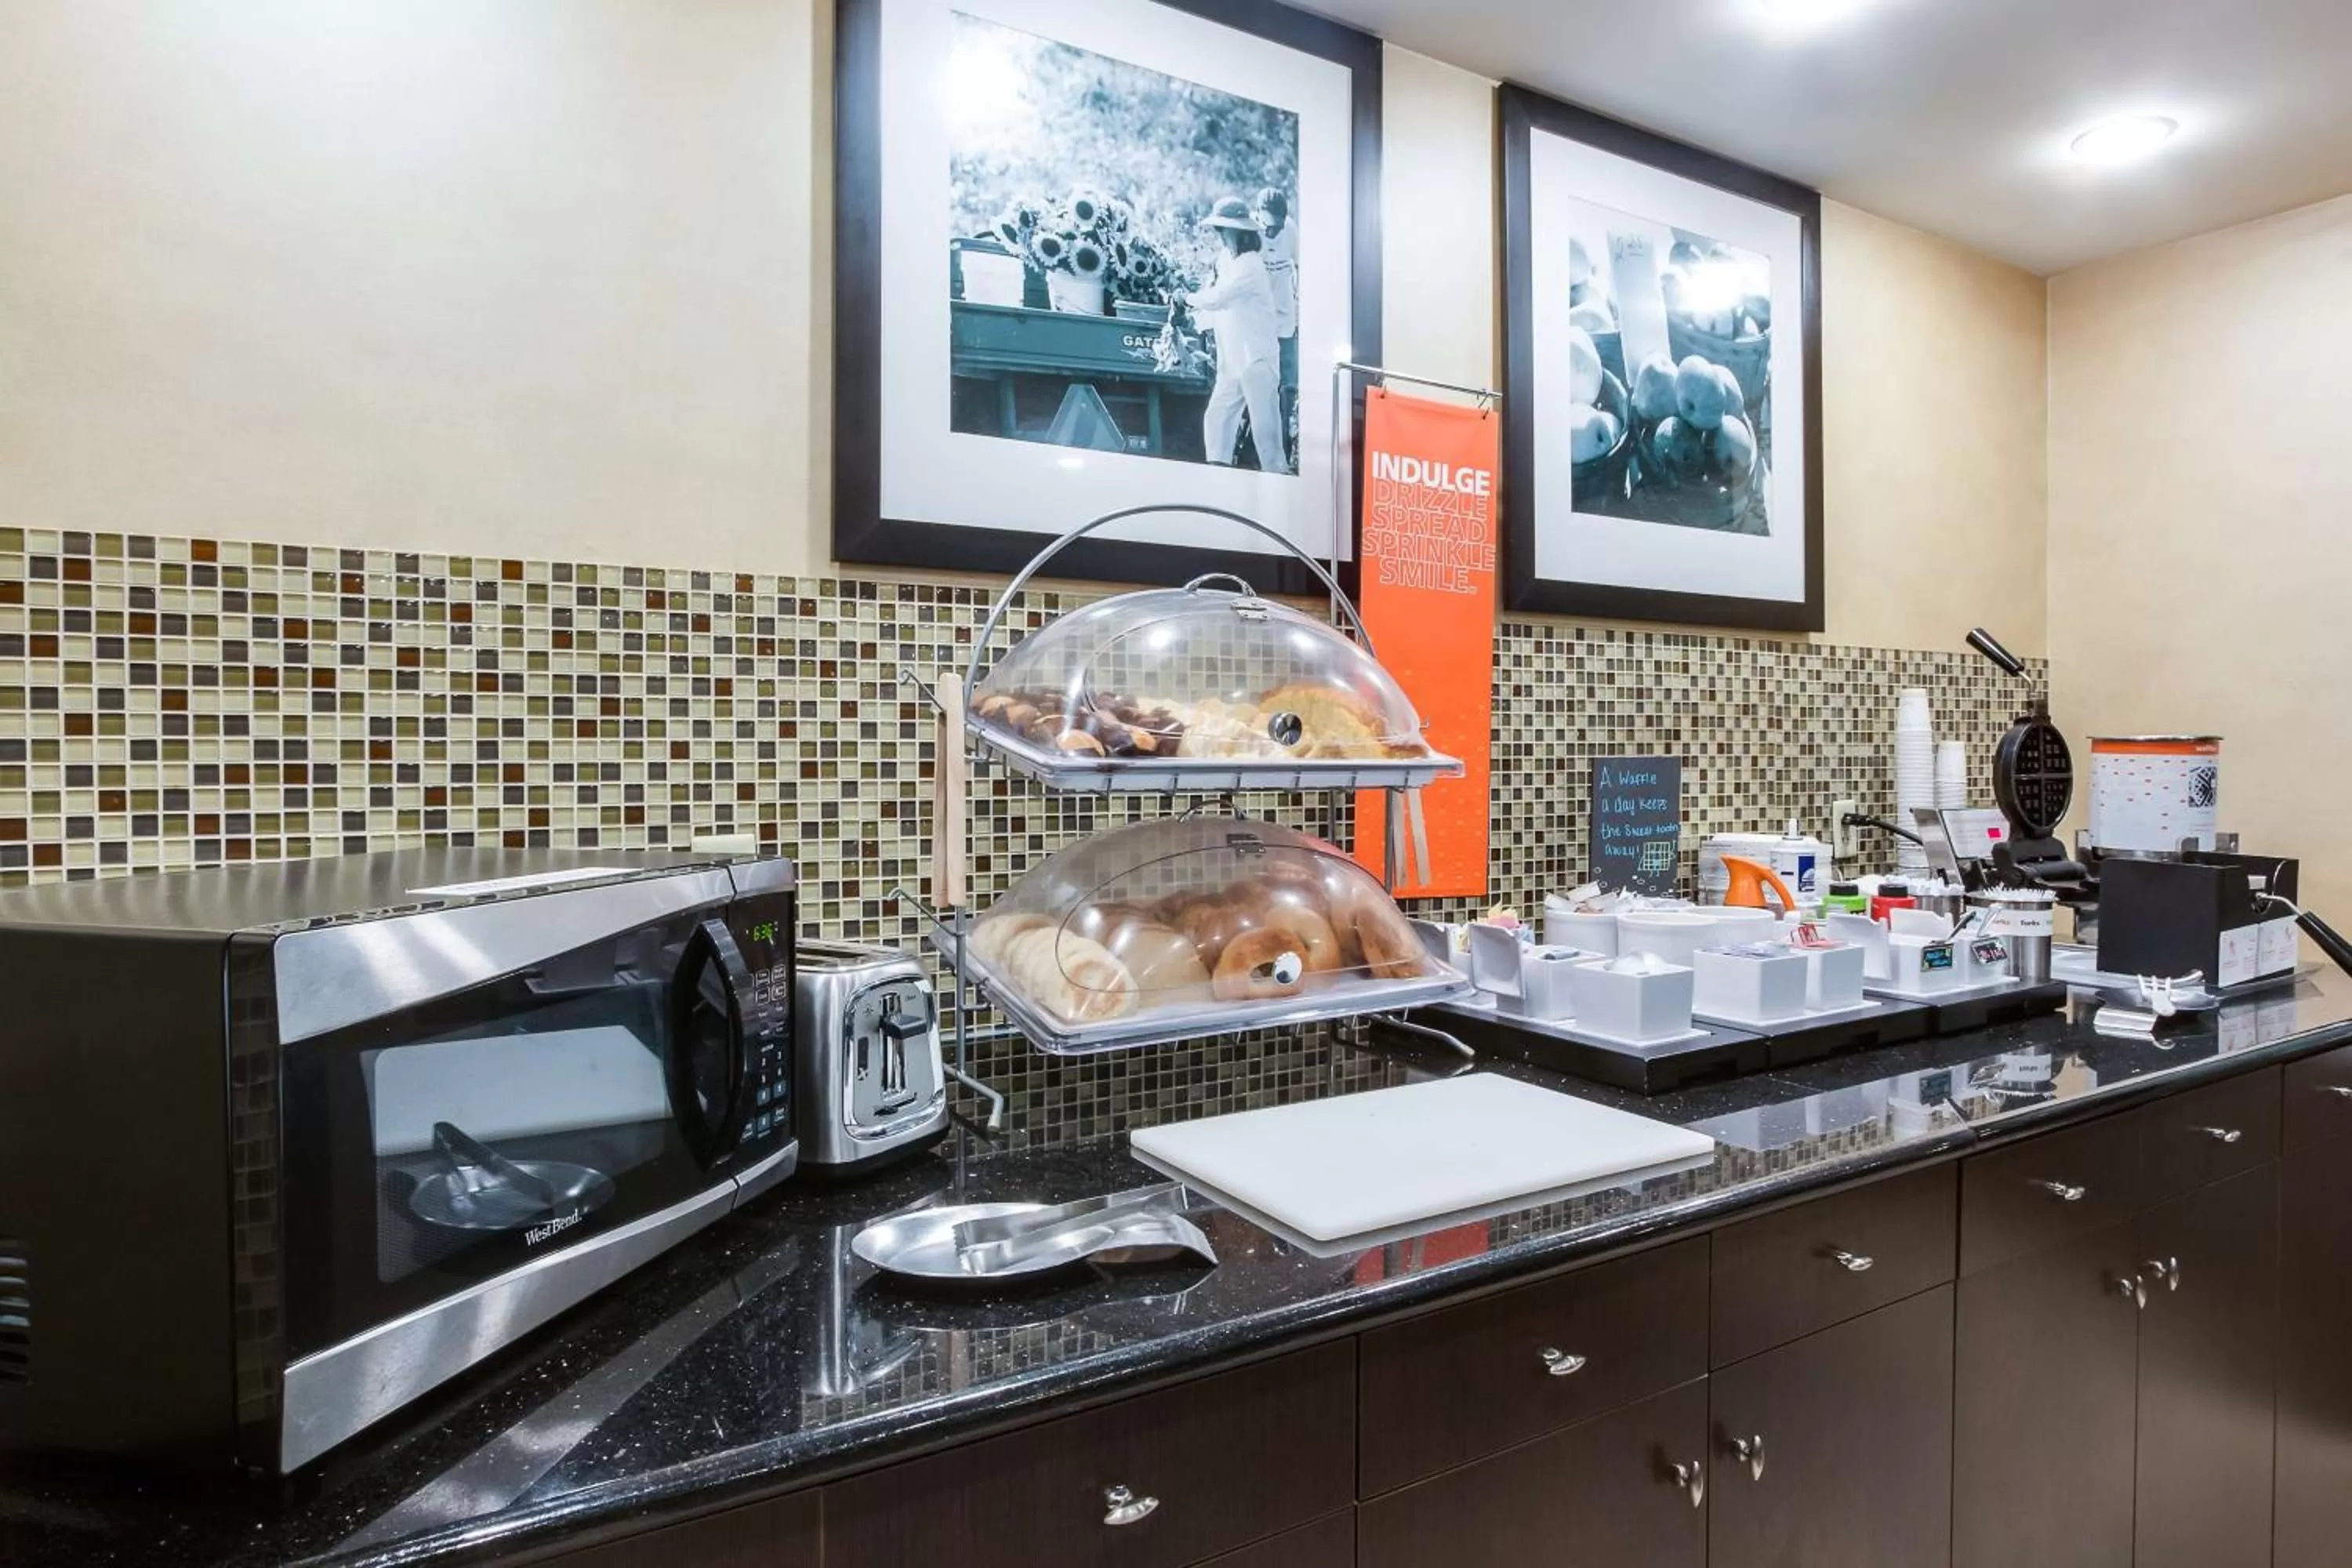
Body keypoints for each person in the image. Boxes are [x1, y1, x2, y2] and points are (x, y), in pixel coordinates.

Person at [1176, 197, 1288, 474]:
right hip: (1234, 361)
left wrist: (1186, 298)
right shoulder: (1226, 260)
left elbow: (1219, 298)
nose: (1221, 236)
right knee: (1217, 418)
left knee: (1267, 438)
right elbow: (1214, 304)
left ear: (1239, 232)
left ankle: (1279, 487)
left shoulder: (1251, 265)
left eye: (1223, 230)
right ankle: (1219, 476)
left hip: (1258, 361)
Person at [1254, 187, 1300, 452]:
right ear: (1259, 217)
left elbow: (1302, 265)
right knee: (1263, 382)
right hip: (1260, 319)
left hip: (1285, 317)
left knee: (1289, 383)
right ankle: (1260, 443)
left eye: (1278, 227)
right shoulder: (1249, 233)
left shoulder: (1291, 231)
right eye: (1270, 228)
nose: (1274, 233)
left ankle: (1286, 444)